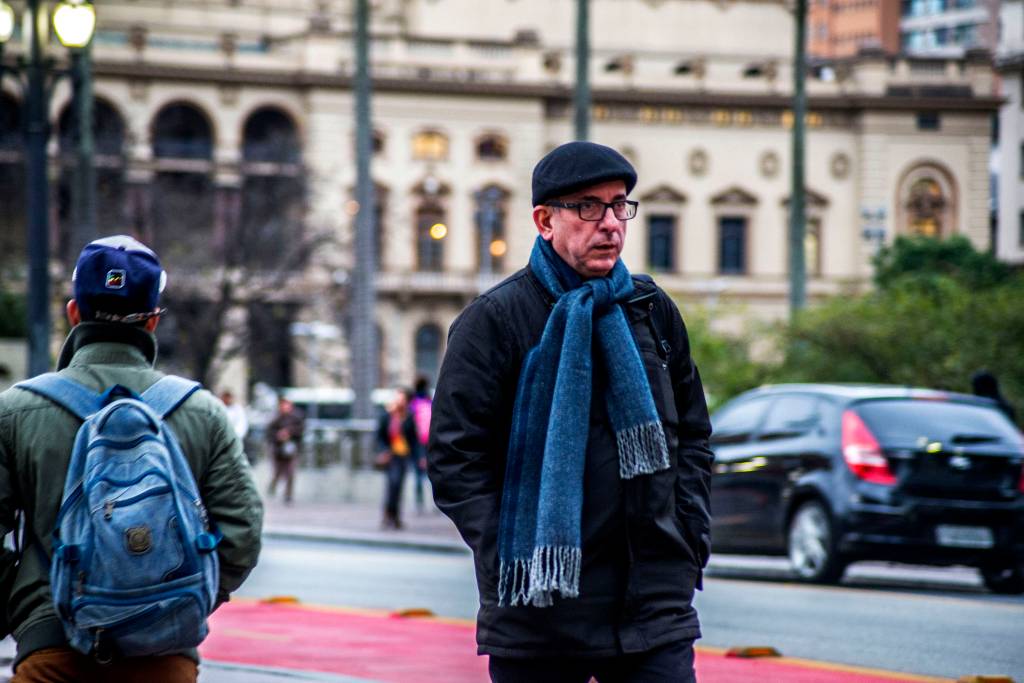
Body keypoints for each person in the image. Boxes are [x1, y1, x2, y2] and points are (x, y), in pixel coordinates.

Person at [428, 142, 713, 682]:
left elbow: (694, 432)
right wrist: (512, 552)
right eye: (588, 206)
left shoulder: (650, 310)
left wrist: (687, 534)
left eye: (619, 205)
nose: (610, 223)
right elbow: (454, 459)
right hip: (541, 611)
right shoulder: (493, 320)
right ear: (544, 221)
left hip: (651, 607)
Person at [0, 235, 263, 682]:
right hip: (163, 661)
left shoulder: (15, 411)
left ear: (74, 313)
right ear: (153, 322)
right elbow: (242, 534)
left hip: (51, 653)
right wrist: (172, 601)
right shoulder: (201, 412)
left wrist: (24, 606)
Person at [377, 388, 419, 529]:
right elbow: (380, 436)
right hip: (391, 456)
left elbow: (413, 439)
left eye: (401, 397)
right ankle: (388, 515)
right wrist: (384, 450)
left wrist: (418, 457)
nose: (398, 400)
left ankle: (394, 516)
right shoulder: (388, 416)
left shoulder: (409, 417)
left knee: (398, 486)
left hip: (403, 455)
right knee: (392, 485)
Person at [266, 395, 305, 504]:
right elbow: (269, 432)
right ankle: (272, 487)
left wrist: (289, 432)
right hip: (278, 449)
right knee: (277, 472)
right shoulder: (275, 418)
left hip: (291, 448)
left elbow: (301, 430)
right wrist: (278, 436)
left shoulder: (297, 417)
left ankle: (288, 495)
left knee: (291, 472)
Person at [408, 376, 433, 513]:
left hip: (417, 442)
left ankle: (419, 504)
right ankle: (434, 503)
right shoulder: (429, 401)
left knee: (418, 474)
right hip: (430, 441)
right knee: (431, 473)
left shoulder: (413, 403)